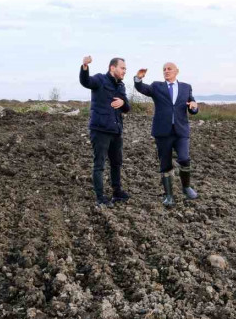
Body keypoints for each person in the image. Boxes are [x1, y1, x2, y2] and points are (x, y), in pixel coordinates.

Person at [134, 62, 199, 207]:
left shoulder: (186, 87)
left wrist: (195, 108)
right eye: (164, 69)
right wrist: (138, 79)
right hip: (163, 132)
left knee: (184, 158)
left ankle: (186, 187)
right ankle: (169, 196)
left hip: (181, 131)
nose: (166, 71)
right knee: (165, 164)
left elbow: (192, 105)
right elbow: (142, 88)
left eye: (169, 69)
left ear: (177, 71)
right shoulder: (157, 86)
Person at [79, 56, 131, 206]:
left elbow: (126, 108)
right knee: (99, 164)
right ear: (112, 68)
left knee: (116, 163)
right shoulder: (100, 80)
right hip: (100, 130)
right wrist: (84, 67)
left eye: (125, 69)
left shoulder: (121, 86)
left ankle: (117, 192)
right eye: (122, 68)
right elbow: (86, 81)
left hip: (116, 130)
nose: (124, 71)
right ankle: (100, 198)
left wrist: (123, 102)